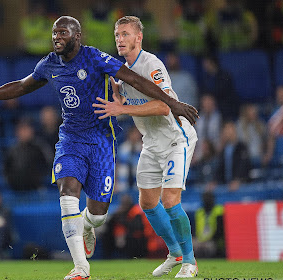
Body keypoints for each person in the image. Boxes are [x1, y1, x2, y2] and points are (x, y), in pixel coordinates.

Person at [0, 16, 198, 280]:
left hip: (127, 141)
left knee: (103, 215)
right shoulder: (50, 64)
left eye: (62, 33)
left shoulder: (109, 61)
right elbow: (21, 86)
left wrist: (169, 105)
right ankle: (83, 267)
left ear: (77, 36)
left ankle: (178, 256)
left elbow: (143, 87)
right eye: (54, 33)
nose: (56, 37)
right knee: (76, 195)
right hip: (73, 139)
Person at [93, 16, 198, 277]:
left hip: (176, 138)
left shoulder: (151, 64)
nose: (120, 39)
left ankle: (190, 261)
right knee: (148, 203)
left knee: (170, 201)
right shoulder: (122, 71)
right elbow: (124, 99)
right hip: (151, 143)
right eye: (117, 35)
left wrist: (122, 108)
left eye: (126, 34)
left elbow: (164, 106)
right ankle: (174, 252)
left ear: (139, 37)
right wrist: (117, 94)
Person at [4, 119, 51, 191]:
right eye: (21, 130)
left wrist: (40, 179)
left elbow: (49, 163)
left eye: (26, 130)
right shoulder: (12, 150)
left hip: (37, 188)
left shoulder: (40, 147)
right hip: (17, 189)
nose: (24, 133)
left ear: (31, 131)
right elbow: (6, 168)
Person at [207, 121, 251, 192]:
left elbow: (243, 166)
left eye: (229, 129)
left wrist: (238, 180)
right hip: (226, 186)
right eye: (225, 130)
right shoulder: (223, 150)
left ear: (234, 130)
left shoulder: (242, 147)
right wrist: (214, 181)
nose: (227, 132)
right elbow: (219, 168)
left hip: (241, 186)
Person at [193, 191, 225, 258]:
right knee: (191, 245)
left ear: (213, 199)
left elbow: (220, 229)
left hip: (213, 240)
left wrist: (211, 239)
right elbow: (194, 228)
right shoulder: (199, 211)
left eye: (209, 198)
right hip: (200, 239)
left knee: (209, 247)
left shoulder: (219, 210)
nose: (207, 200)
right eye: (205, 198)